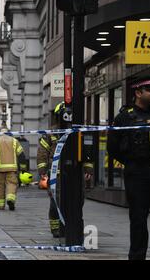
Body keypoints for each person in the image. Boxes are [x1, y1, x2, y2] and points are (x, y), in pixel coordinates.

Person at [108, 76, 150, 260]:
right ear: (138, 93)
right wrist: (132, 162)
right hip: (137, 173)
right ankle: (137, 256)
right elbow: (113, 147)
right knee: (138, 219)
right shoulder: (124, 117)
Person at [37, 102, 94, 238]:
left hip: (76, 174)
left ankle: (72, 225)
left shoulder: (79, 131)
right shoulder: (51, 133)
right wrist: (43, 171)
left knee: (78, 200)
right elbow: (42, 153)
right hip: (56, 174)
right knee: (55, 202)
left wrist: (88, 169)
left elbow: (87, 152)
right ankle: (56, 229)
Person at [0, 126, 28, 211]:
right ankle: (10, 199)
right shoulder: (14, 141)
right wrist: (23, 167)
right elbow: (21, 155)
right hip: (12, 169)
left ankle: (0, 205)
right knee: (12, 184)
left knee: (0, 187)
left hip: (0, 170)